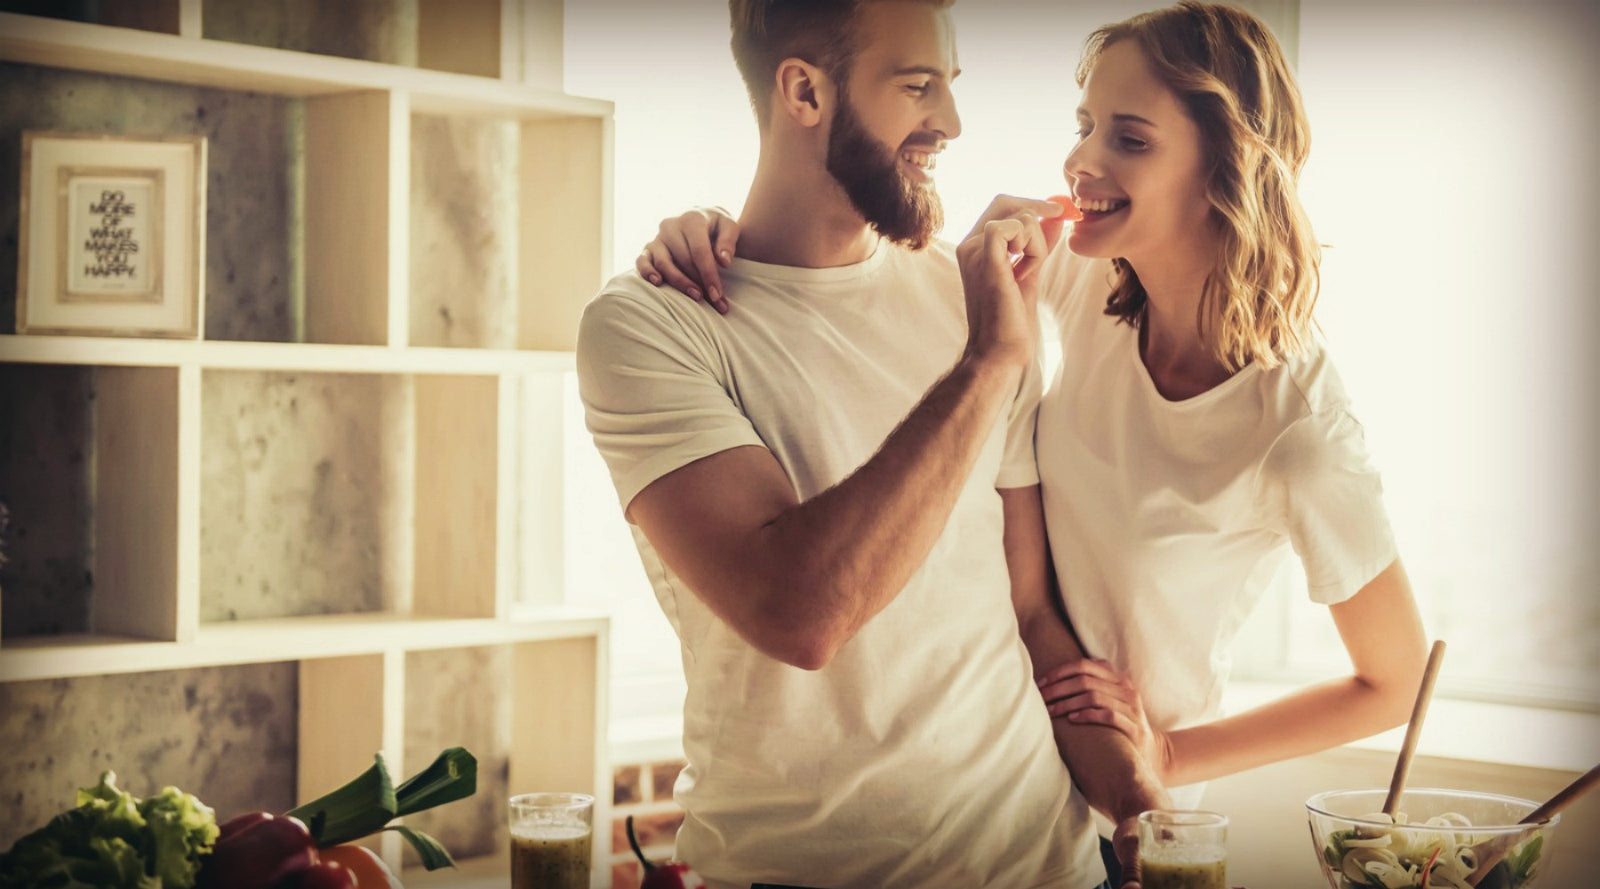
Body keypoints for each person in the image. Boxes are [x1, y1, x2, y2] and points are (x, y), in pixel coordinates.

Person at [636, 1, 1431, 880]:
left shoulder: (1299, 427)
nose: (1081, 160)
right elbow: (853, 272)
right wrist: (713, 231)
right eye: (1085, 125)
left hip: (1112, 804)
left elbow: (1392, 678)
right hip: (1031, 780)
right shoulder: (1072, 279)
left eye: (1129, 139)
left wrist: (1166, 759)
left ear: (1226, 167)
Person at [577, 2, 1165, 888]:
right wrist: (988, 362)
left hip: (1049, 868)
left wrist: (1141, 804)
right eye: (917, 85)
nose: (952, 124)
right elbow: (800, 613)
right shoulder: (651, 328)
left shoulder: (972, 297)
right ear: (804, 91)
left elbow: (1026, 610)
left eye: (951, 85)